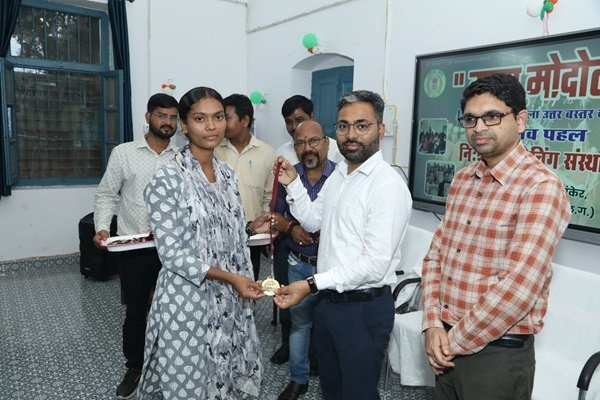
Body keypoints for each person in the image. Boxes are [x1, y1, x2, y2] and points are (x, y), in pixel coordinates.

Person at [421, 73, 571, 400]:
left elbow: (519, 287)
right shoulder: (463, 179)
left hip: (496, 355)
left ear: (520, 120)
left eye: (491, 116)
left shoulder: (540, 186)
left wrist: (452, 342)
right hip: (445, 342)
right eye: (470, 119)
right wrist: (432, 324)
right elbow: (435, 257)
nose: (478, 127)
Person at [273, 90, 412, 400]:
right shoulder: (339, 175)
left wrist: (310, 284)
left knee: (357, 393)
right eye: (344, 126)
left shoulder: (387, 185)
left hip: (363, 309)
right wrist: (292, 184)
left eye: (362, 125)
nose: (351, 135)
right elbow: (312, 221)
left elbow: (374, 264)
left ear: (381, 129)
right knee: (332, 388)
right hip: (329, 304)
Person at [138, 87, 269, 400]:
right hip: (188, 298)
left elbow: (225, 234)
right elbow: (171, 255)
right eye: (200, 119)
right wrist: (231, 278)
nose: (211, 126)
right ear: (184, 125)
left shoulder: (227, 174)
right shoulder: (168, 177)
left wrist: (249, 229)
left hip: (228, 298)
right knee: (190, 381)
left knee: (226, 374)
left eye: (218, 117)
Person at [93, 93, 179, 399]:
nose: (167, 122)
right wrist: (102, 227)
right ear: (148, 117)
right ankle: (135, 366)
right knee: (136, 311)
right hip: (133, 247)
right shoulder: (124, 153)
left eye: (172, 117)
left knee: (172, 309)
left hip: (172, 249)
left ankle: (171, 365)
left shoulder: (183, 158)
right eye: (161, 115)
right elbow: (107, 194)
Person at [270, 94, 344, 366]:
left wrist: (331, 231)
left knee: (329, 325)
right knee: (299, 323)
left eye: (313, 141)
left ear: (326, 143)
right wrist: (291, 228)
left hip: (331, 266)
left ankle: (321, 368)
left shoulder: (342, 177)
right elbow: (275, 214)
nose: (307, 147)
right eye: (300, 143)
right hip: (297, 262)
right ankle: (298, 378)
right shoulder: (289, 174)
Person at [214, 93, 275, 280]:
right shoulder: (213, 150)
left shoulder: (267, 153)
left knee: (249, 285)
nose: (221, 123)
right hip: (218, 236)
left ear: (245, 120)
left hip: (251, 237)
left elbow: (269, 196)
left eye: (226, 118)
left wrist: (265, 229)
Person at [276, 95, 344, 164]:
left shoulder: (335, 149)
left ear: (312, 117)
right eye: (289, 122)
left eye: (299, 120)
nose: (294, 127)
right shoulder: (281, 153)